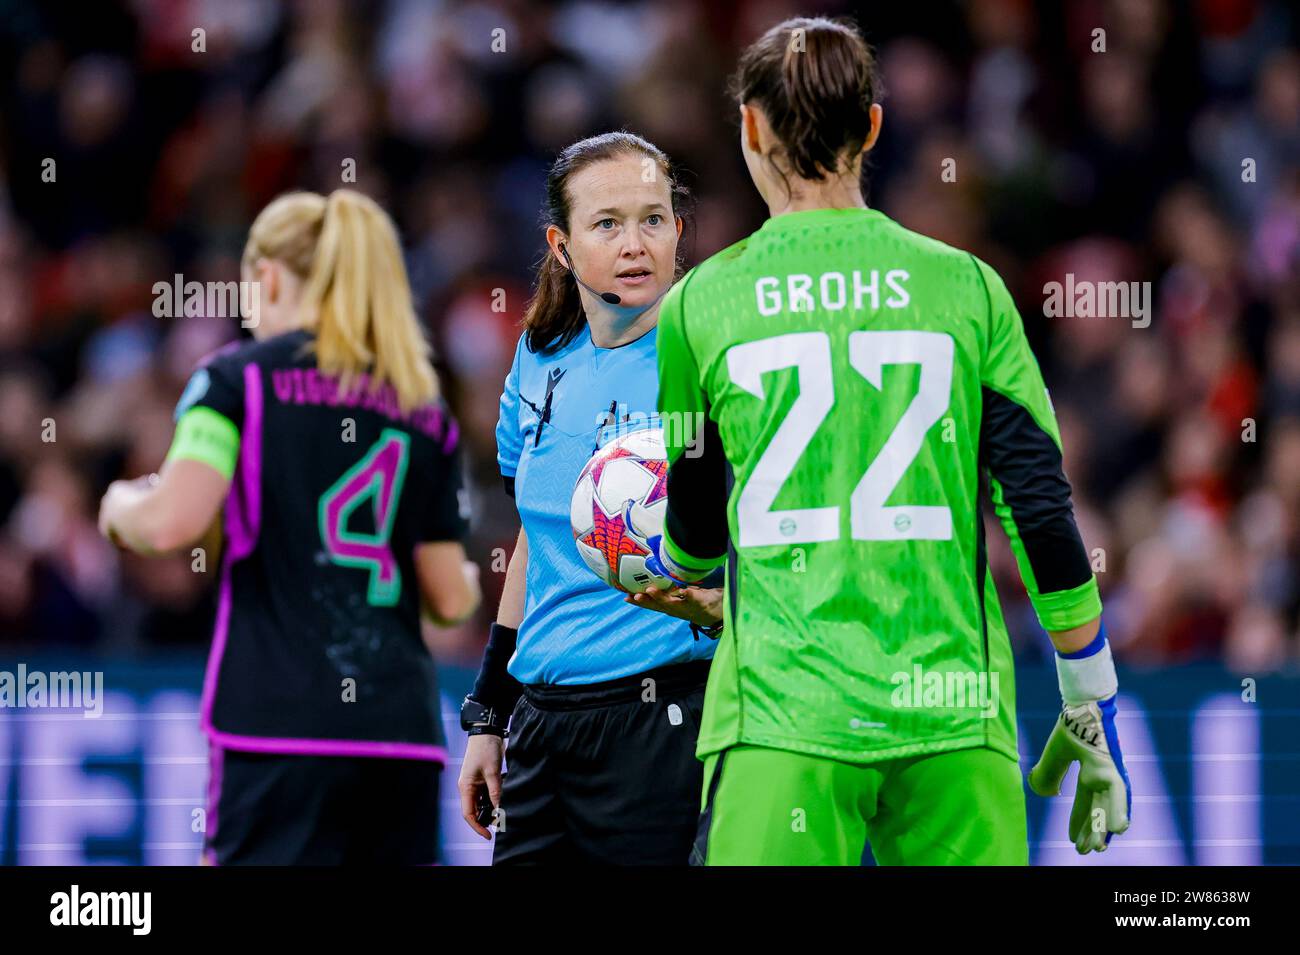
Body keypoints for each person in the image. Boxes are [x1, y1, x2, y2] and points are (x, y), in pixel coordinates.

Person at [644, 17, 1131, 865]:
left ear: (751, 129)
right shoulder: (968, 288)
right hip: (952, 713)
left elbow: (692, 509)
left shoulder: (698, 305)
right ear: (871, 127)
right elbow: (1039, 509)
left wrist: (682, 572)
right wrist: (1088, 690)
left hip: (782, 714)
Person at [98, 189, 480, 865]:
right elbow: (451, 599)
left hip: (276, 732)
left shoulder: (234, 382)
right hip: (401, 738)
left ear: (267, 277)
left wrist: (119, 505)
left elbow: (170, 523)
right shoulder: (424, 409)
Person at [456, 132, 724, 865]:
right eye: (607, 223)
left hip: (664, 720)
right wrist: (490, 713)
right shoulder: (539, 356)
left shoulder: (713, 357)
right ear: (562, 245)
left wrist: (726, 601)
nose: (635, 244)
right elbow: (535, 549)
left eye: (654, 218)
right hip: (542, 730)